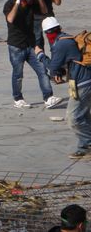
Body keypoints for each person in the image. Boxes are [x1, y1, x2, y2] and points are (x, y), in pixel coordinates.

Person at [37, 18, 91, 158]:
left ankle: (88, 144)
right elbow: (67, 62)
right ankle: (83, 146)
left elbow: (53, 67)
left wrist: (41, 55)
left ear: (47, 33)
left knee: (73, 118)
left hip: (83, 83)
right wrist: (59, 73)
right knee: (84, 116)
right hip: (83, 80)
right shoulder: (65, 38)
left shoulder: (61, 44)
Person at [5, 0, 60, 109]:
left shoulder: (31, 2)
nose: (27, 0)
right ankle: (18, 99)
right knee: (18, 74)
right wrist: (18, 2)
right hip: (16, 46)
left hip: (31, 44)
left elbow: (45, 11)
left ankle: (48, 97)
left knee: (42, 70)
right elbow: (10, 19)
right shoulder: (10, 4)